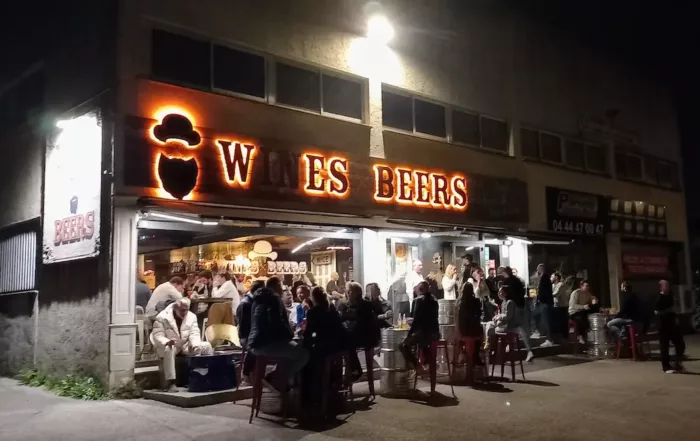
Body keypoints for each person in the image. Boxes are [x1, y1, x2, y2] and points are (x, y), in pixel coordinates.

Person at [248, 277, 309, 393]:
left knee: (288, 355)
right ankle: (275, 380)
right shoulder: (274, 298)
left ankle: (276, 378)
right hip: (267, 343)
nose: (282, 290)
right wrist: (291, 334)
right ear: (276, 287)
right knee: (303, 354)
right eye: (281, 287)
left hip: (255, 343)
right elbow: (277, 324)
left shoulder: (257, 299)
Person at [150, 298, 213, 392]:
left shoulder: (191, 316)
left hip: (184, 344)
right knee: (169, 349)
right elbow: (157, 335)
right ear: (175, 308)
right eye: (183, 310)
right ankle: (170, 382)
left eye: (187, 309)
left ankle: (207, 377)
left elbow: (194, 333)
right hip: (170, 345)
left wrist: (195, 345)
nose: (185, 312)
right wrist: (167, 341)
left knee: (206, 346)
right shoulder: (162, 317)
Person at [338, 282, 380, 379]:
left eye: (350, 292)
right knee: (343, 342)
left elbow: (367, 322)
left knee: (346, 342)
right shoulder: (343, 304)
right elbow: (339, 319)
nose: (348, 294)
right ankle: (351, 372)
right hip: (349, 335)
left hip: (364, 335)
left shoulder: (366, 305)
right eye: (347, 291)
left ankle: (355, 371)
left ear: (357, 293)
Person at [399, 281, 440, 375]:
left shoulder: (418, 300)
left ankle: (418, 366)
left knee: (403, 346)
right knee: (422, 344)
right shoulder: (434, 299)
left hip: (424, 333)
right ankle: (429, 363)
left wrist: (409, 335)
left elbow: (417, 321)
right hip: (435, 333)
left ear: (420, 289)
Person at [486, 285, 534, 362]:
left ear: (505, 293)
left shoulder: (510, 302)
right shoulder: (503, 303)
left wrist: (499, 318)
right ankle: (494, 349)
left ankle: (492, 349)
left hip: (509, 326)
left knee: (491, 328)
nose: (499, 293)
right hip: (507, 324)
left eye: (500, 292)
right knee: (489, 325)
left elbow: (508, 316)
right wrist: (498, 317)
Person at [237, 279, 265, 384]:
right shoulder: (246, 304)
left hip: (252, 333)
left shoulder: (252, 302)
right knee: (256, 344)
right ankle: (246, 372)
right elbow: (244, 327)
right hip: (246, 336)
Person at [655, 279, 685, 373]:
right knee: (664, 346)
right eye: (665, 285)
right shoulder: (657, 298)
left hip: (672, 324)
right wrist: (669, 311)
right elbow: (656, 312)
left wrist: (675, 317)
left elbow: (673, 310)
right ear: (661, 287)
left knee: (680, 344)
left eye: (668, 285)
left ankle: (676, 363)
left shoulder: (670, 297)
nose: (668, 287)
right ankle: (666, 367)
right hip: (662, 325)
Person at [455, 282, 484, 365]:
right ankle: (475, 356)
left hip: (462, 330)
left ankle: (465, 354)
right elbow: (479, 314)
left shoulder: (459, 303)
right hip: (473, 331)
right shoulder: (475, 301)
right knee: (480, 332)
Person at [568, 280, 599, 344]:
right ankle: (580, 336)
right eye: (586, 286)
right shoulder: (576, 293)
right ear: (581, 286)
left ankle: (590, 332)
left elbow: (592, 298)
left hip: (583, 310)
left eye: (588, 286)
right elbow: (573, 305)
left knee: (594, 311)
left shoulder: (587, 293)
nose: (588, 287)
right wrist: (584, 306)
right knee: (580, 317)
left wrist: (594, 300)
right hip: (574, 311)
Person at [533, 264, 555, 347]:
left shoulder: (544, 277)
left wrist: (538, 298)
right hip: (543, 302)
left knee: (546, 321)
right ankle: (539, 332)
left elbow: (543, 291)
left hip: (545, 302)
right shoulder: (543, 278)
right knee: (537, 316)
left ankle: (549, 339)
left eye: (538, 269)